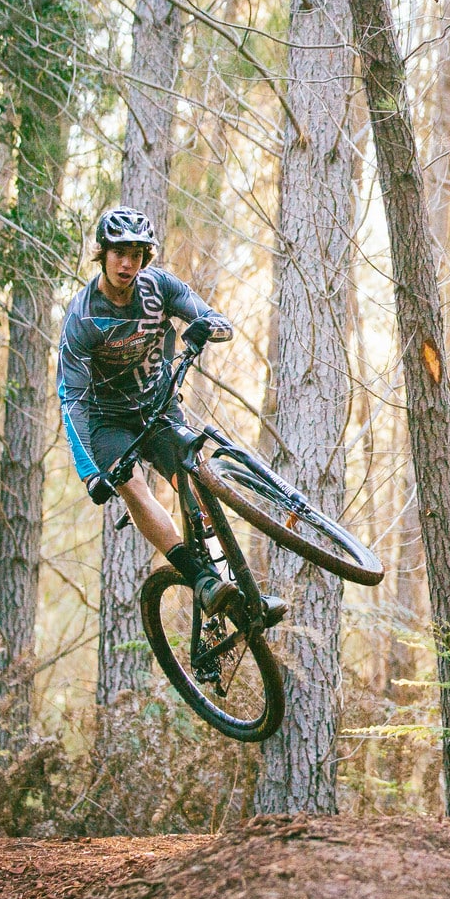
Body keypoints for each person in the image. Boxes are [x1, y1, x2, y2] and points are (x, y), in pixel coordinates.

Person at [58, 206, 282, 626]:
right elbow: (71, 399)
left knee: (196, 479)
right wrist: (89, 471)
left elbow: (220, 323)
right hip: (108, 420)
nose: (128, 264)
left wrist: (203, 328)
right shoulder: (82, 316)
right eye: (119, 253)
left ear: (146, 258)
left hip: (157, 408)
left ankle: (235, 583)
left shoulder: (158, 287)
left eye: (137, 254)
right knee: (133, 485)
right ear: (102, 254)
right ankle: (199, 578)